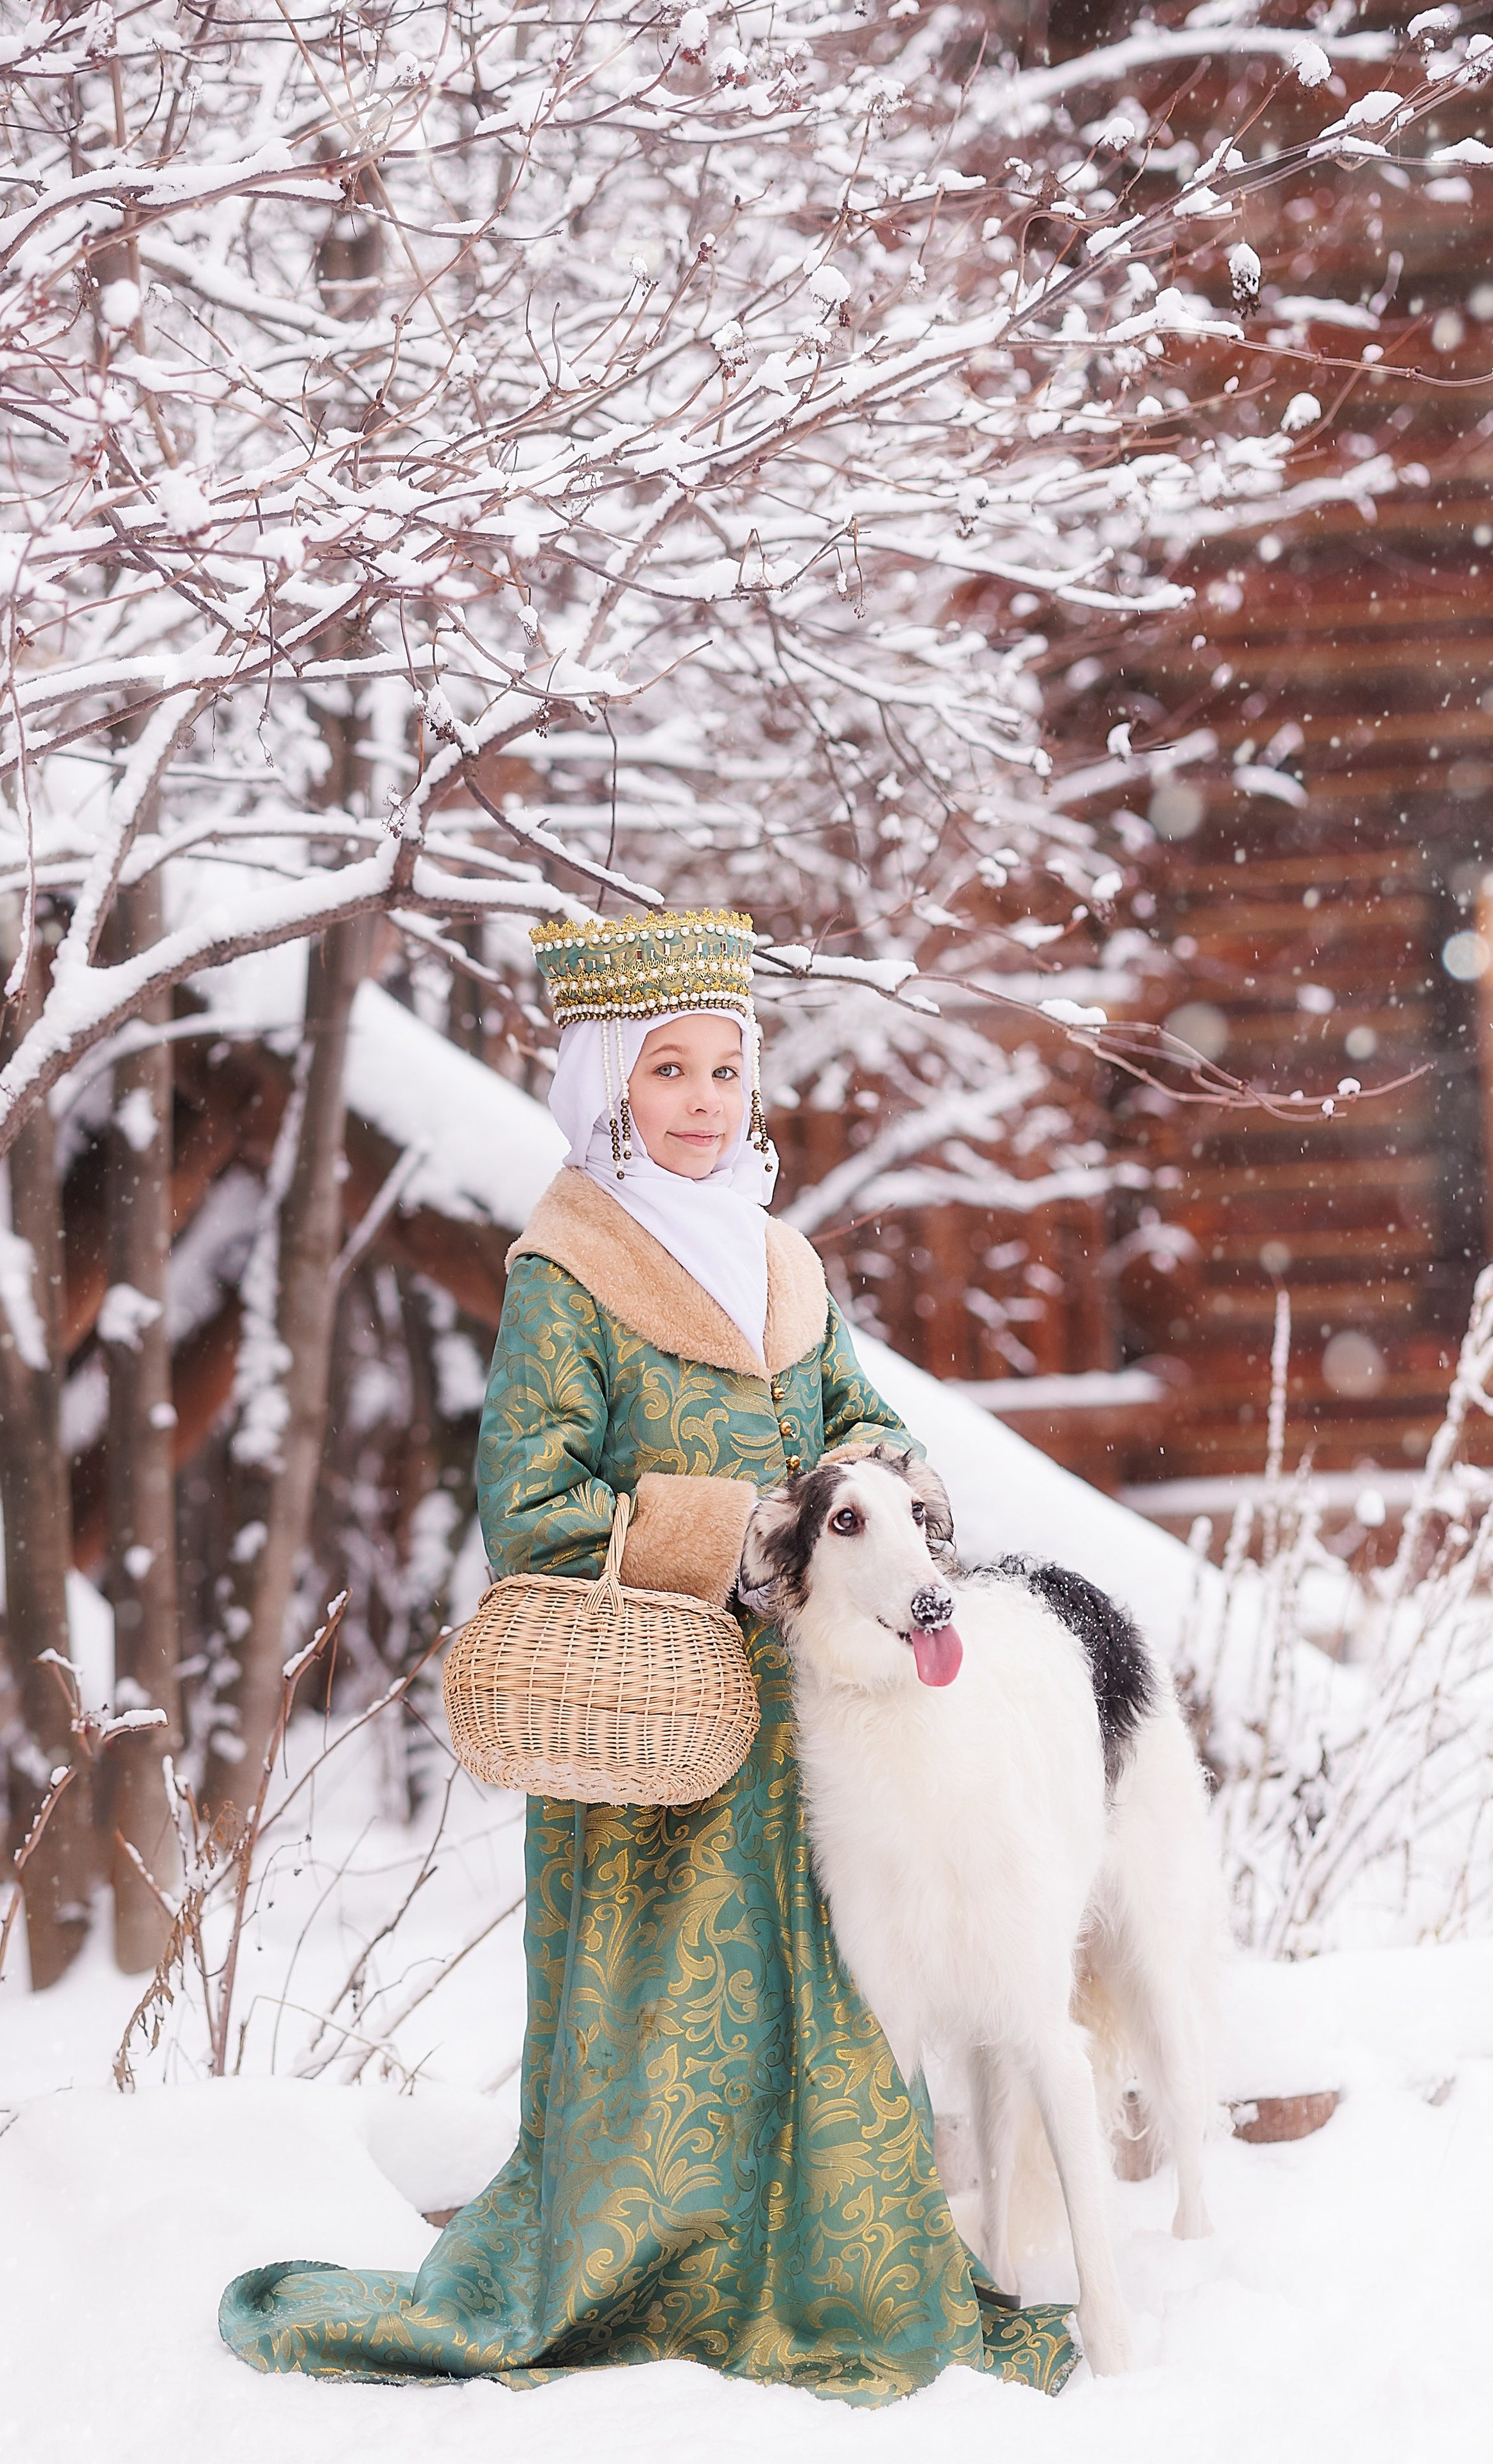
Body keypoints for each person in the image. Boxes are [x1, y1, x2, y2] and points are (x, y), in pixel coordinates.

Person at [219, 909, 1076, 2402]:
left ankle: (837, 2272)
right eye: (663, 1071)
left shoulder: (783, 1265)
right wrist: (741, 1532)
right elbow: (530, 1507)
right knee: (664, 2021)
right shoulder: (568, 1267)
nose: (698, 1101)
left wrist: (874, 1473)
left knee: (826, 1994)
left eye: (722, 1071)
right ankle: (638, 2274)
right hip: (649, 1716)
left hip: (811, 1729)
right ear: (607, 1088)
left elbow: (863, 1424)